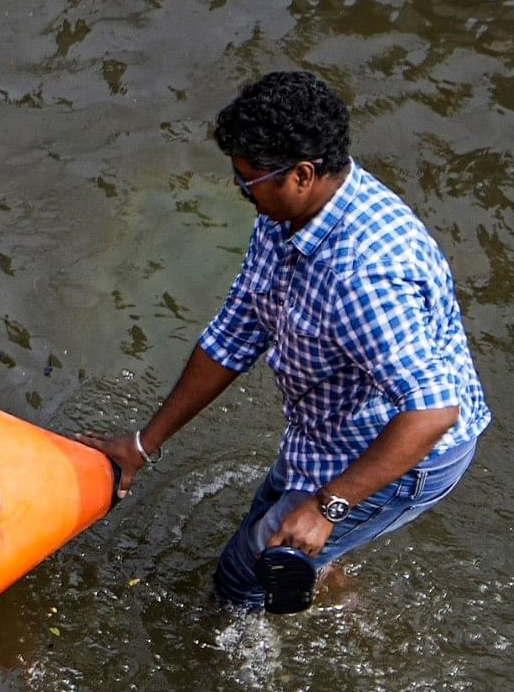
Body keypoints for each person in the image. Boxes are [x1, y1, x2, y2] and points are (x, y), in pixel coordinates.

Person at [83, 70, 491, 611]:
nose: (238, 187)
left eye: (247, 179)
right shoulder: (287, 215)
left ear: (302, 174)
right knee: (276, 525)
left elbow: (432, 413)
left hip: (403, 450)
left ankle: (299, 648)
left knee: (240, 582)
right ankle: (338, 592)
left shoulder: (365, 275)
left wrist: (327, 507)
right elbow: (236, 332)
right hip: (330, 427)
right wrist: (142, 444)